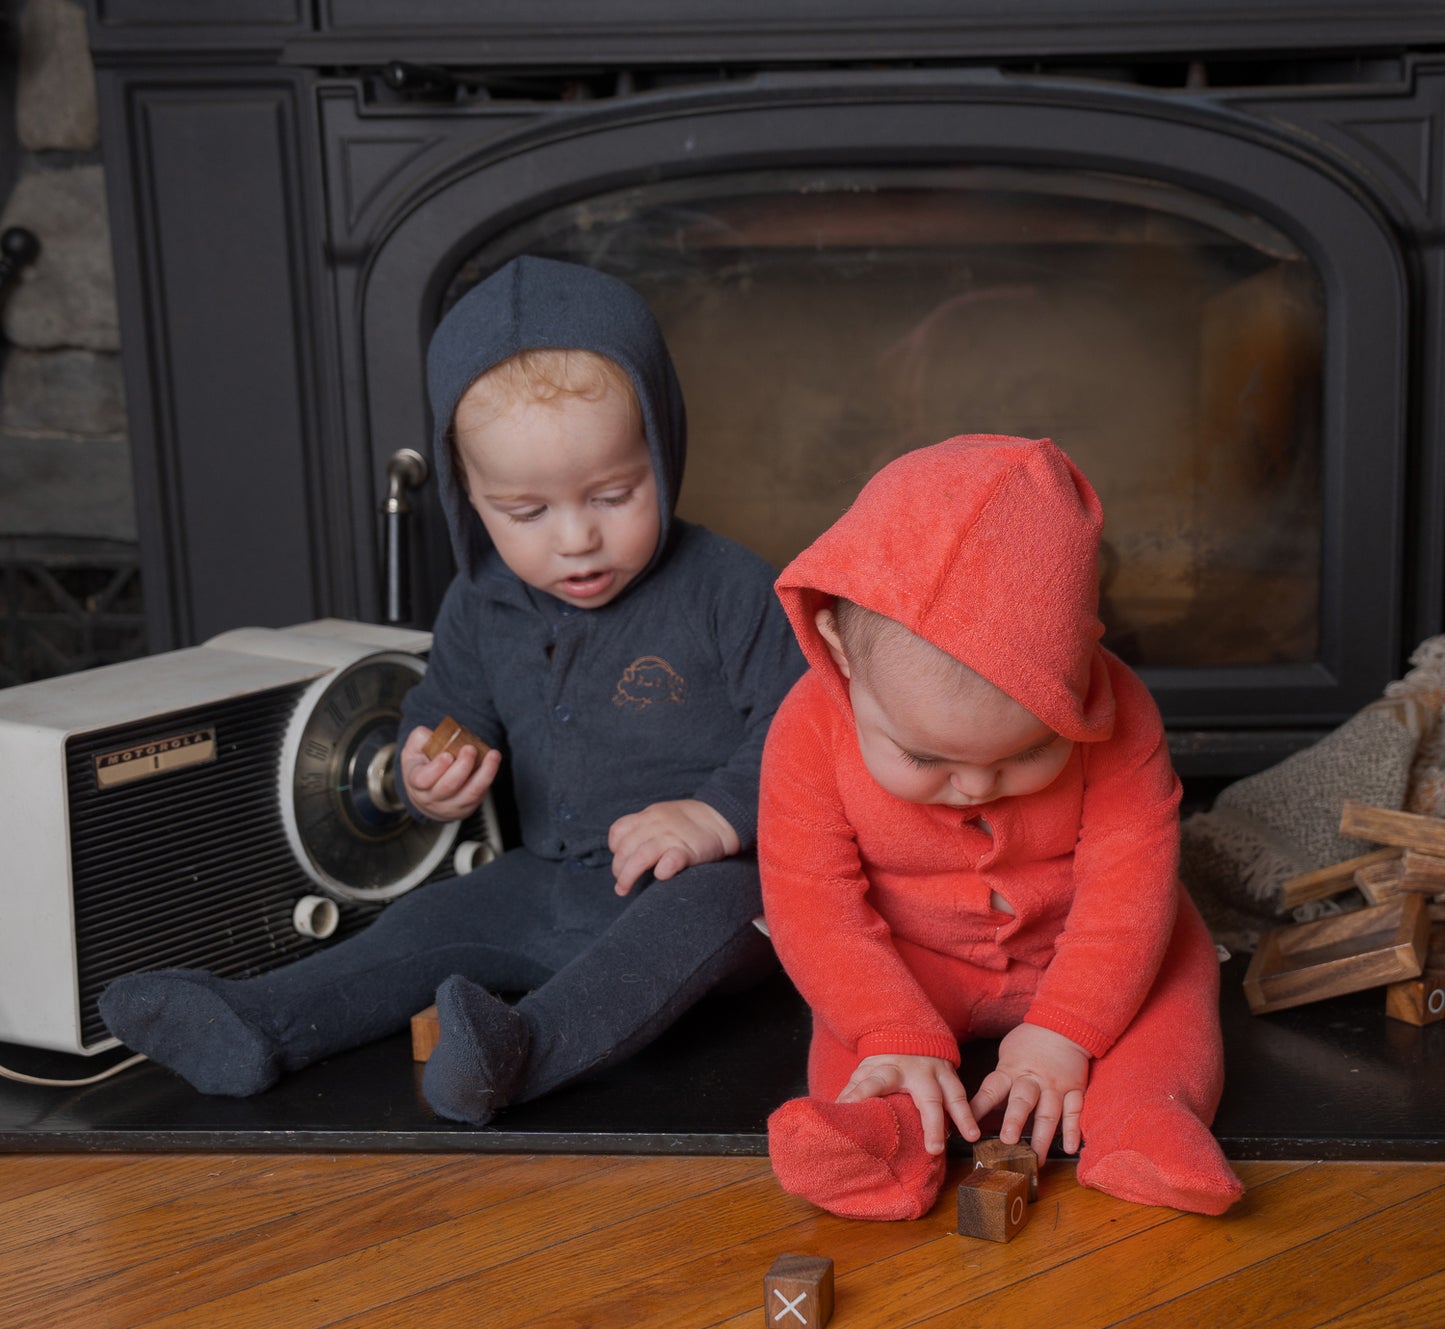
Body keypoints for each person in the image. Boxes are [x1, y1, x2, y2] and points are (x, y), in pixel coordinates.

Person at [100, 255, 803, 1123]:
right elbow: (450, 712)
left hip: (709, 888)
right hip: (545, 880)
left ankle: (526, 1049)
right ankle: (265, 1019)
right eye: (527, 512)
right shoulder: (480, 602)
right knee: (425, 921)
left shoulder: (728, 589)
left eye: (615, 494)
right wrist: (428, 769)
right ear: (471, 501)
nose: (578, 539)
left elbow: (808, 726)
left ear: (663, 448)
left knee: (708, 913)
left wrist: (713, 817)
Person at [758, 433, 1244, 1219]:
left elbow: (1128, 885)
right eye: (924, 756)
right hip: (910, 953)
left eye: (1030, 750)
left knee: (1176, 973)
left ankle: (1146, 1117)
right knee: (852, 1023)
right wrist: (890, 1029)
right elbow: (813, 906)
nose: (977, 786)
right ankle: (879, 1133)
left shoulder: (1124, 714)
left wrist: (1066, 1030)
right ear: (839, 652)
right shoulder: (808, 730)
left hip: (1088, 940)